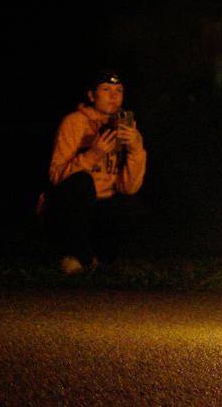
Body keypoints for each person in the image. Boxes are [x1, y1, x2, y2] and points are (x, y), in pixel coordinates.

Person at [44, 71, 147, 274]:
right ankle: (75, 254)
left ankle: (101, 258)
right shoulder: (74, 122)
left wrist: (136, 148)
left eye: (119, 90)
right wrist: (93, 154)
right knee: (81, 182)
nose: (113, 96)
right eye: (106, 89)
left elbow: (129, 188)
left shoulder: (125, 126)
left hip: (105, 205)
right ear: (92, 95)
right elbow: (56, 176)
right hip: (74, 205)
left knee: (133, 205)